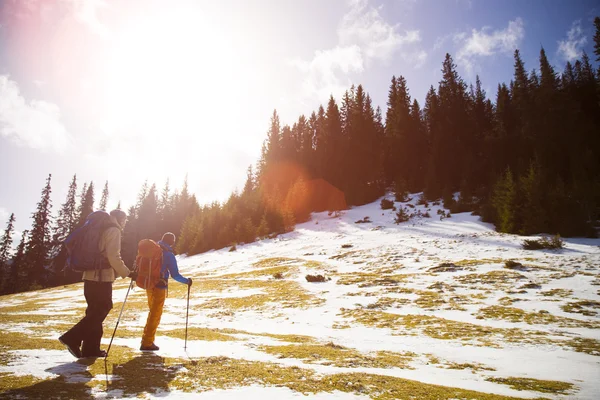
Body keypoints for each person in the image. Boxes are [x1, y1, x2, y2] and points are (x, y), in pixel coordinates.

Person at [59, 209, 135, 358]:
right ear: (119, 219)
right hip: (101, 276)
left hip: (89, 275)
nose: (124, 224)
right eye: (124, 220)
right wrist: (128, 272)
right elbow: (114, 256)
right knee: (103, 308)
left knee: (94, 311)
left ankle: (90, 349)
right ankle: (72, 337)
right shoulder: (113, 230)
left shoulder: (99, 228)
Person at [140, 232, 192, 351]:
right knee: (155, 314)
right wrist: (187, 281)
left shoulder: (152, 250)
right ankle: (147, 342)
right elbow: (175, 275)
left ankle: (147, 340)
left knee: (152, 313)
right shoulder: (168, 254)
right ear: (172, 242)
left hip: (149, 285)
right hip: (160, 286)